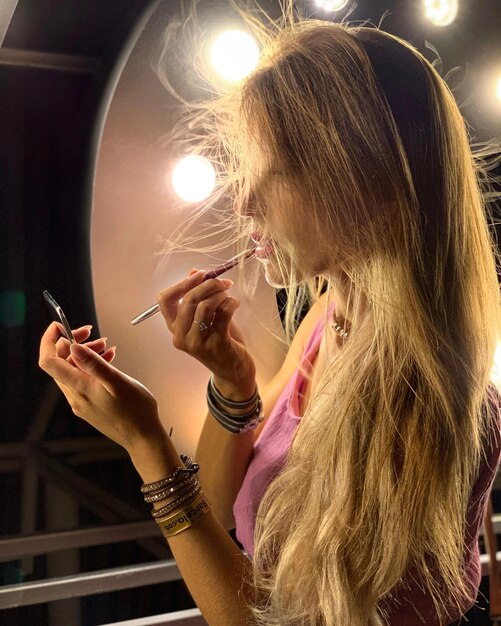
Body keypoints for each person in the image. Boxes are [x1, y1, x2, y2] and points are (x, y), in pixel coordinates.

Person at [39, 13, 501, 626]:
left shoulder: (429, 406)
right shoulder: (328, 320)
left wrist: (146, 443)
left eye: (274, 170)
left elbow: (261, 619)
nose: (244, 200)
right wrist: (232, 384)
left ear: (369, 182)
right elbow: (225, 505)